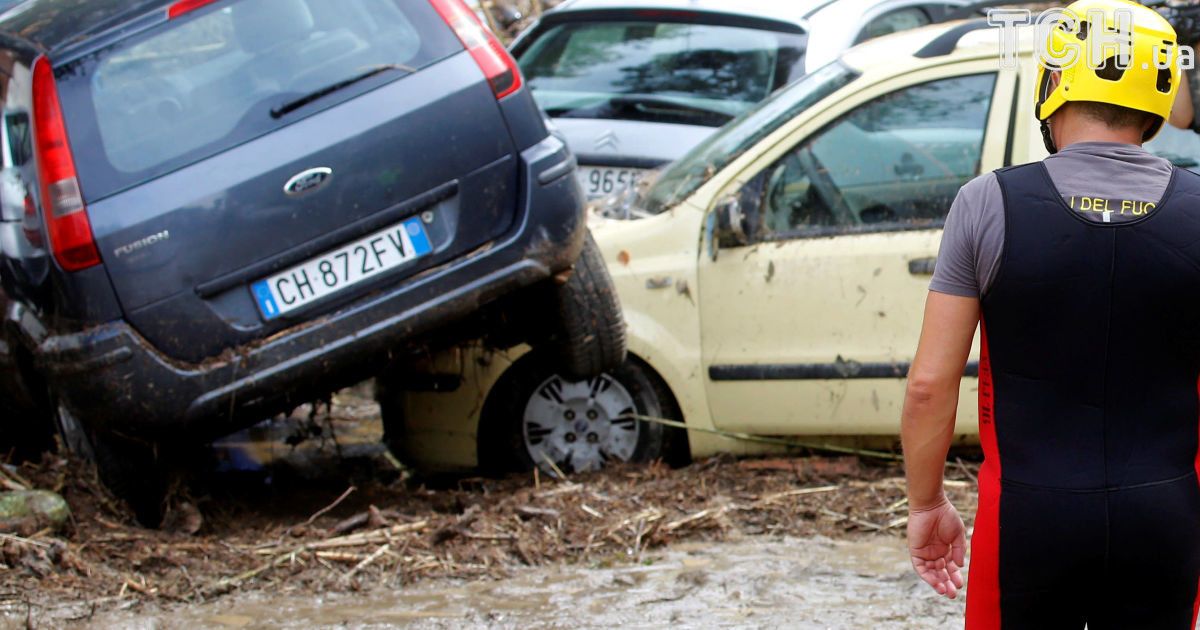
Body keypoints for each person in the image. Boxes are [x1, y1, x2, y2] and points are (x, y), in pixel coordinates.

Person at [901, 0, 1200, 627]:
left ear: (1053, 83)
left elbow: (929, 387)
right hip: (1166, 517)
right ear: (1158, 98)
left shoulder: (987, 204)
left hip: (1029, 523)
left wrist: (926, 504)